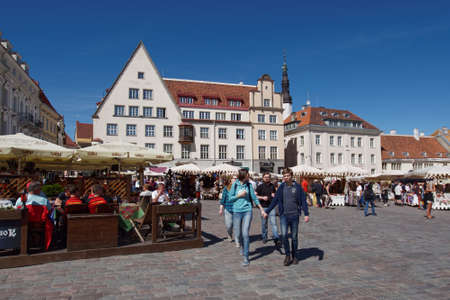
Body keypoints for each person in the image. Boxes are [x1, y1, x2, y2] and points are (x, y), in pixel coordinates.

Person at [265, 168, 309, 266]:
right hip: (284, 215)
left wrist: (306, 213)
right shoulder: (281, 187)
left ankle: (295, 256)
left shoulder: (297, 187)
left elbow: (303, 201)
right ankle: (287, 255)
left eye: (288, 176)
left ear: (291, 176)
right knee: (284, 235)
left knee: (294, 237)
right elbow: (275, 200)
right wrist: (267, 211)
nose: (286, 177)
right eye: (284, 176)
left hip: (294, 215)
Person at [229, 169, 267, 267]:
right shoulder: (235, 185)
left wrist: (262, 209)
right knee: (238, 234)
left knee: (245, 233)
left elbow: (254, 198)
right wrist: (239, 195)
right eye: (247, 174)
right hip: (237, 211)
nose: (249, 176)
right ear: (243, 175)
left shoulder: (249, 185)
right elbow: (230, 198)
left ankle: (246, 257)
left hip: (247, 211)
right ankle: (242, 246)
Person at [255, 172, 280, 246]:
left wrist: (274, 195)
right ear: (263, 178)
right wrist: (262, 197)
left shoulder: (272, 186)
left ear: (270, 178)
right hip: (263, 208)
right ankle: (264, 237)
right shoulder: (260, 186)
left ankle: (276, 238)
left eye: (268, 177)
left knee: (274, 223)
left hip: (271, 207)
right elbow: (255, 196)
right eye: (265, 177)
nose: (267, 178)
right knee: (264, 224)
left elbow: (275, 195)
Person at [219, 175, 234, 242]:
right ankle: (229, 234)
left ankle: (237, 237)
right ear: (230, 180)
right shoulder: (226, 188)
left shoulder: (239, 188)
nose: (235, 180)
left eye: (236, 179)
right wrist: (221, 209)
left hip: (238, 209)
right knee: (229, 225)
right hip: (228, 208)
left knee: (238, 225)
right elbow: (223, 200)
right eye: (233, 179)